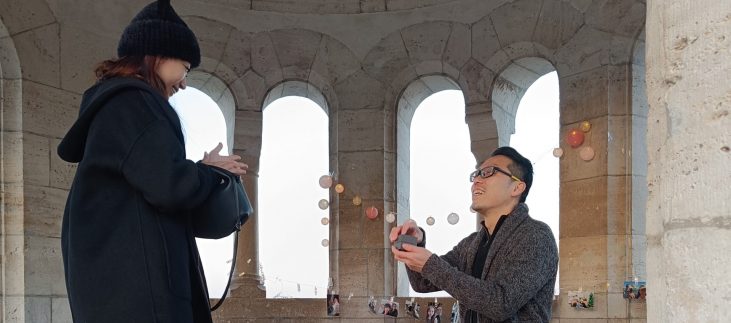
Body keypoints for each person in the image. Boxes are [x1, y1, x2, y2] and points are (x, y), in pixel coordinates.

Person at [57, 1, 248, 322]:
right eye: (185, 67)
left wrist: (200, 170)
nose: (184, 82)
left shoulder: (115, 106)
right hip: (143, 297)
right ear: (159, 55)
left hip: (119, 292)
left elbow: (154, 180)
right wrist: (212, 171)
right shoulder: (135, 102)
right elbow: (169, 186)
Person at [391, 147, 558, 322]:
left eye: (488, 172)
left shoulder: (536, 235)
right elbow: (423, 283)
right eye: (476, 174)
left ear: (517, 187)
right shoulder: (471, 243)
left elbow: (501, 304)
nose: (476, 180)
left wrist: (431, 263)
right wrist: (415, 244)